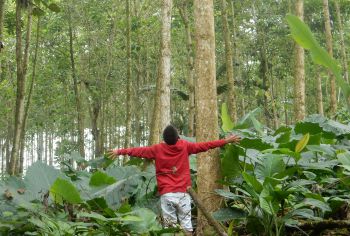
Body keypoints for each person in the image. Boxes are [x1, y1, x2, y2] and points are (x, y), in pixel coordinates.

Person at [107, 125, 240, 235]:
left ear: (164, 139)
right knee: (187, 225)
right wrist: (226, 141)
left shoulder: (157, 149)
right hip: (183, 194)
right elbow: (205, 145)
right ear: (177, 138)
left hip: (167, 194)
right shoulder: (185, 146)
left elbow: (138, 151)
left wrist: (119, 151)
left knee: (170, 227)